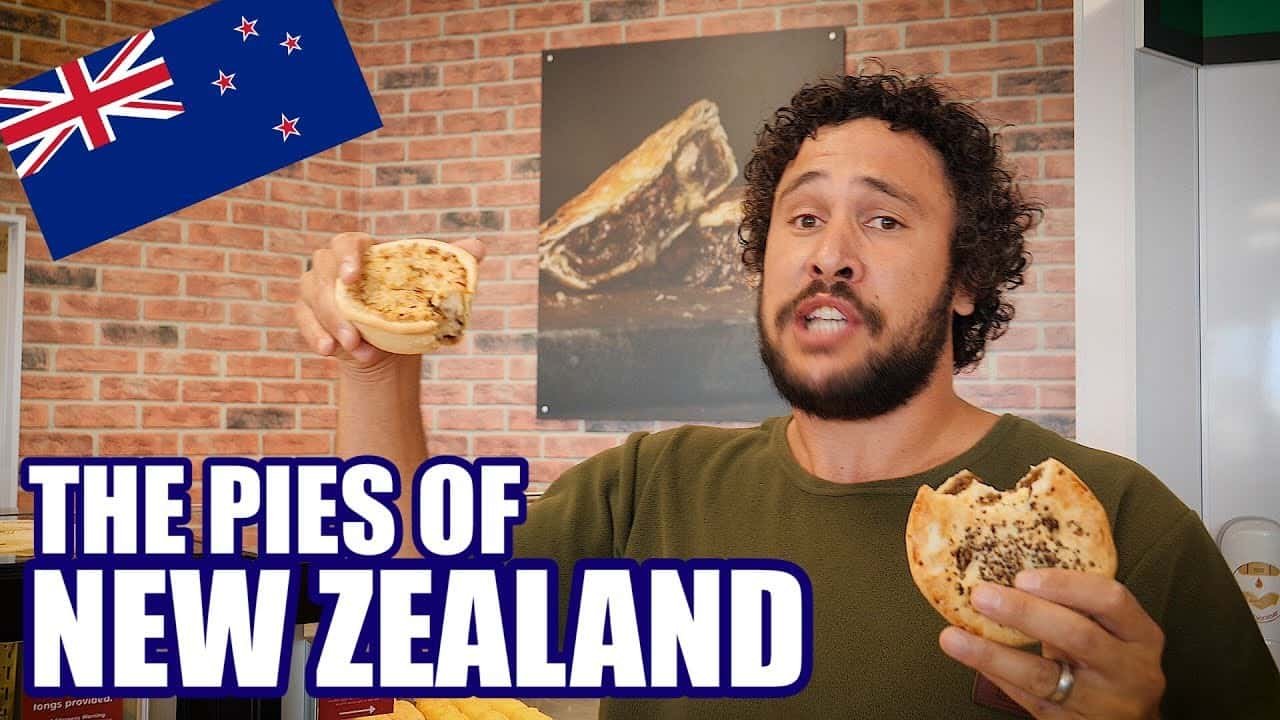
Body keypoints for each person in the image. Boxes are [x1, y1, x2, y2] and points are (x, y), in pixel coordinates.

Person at [295, 73, 1280, 718]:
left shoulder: (1125, 527)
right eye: (800, 218)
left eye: (883, 221)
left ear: (966, 276)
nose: (829, 255)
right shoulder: (650, 490)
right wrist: (372, 363)